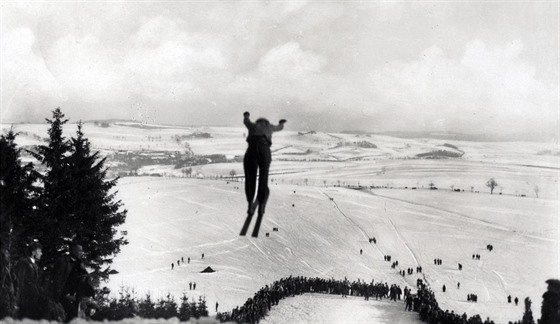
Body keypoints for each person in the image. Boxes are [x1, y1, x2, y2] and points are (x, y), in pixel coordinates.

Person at [240, 111, 286, 237]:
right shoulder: (270, 127)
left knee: (250, 178)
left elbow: (246, 121)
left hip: (252, 150)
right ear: (266, 122)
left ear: (258, 122)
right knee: (263, 179)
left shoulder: (253, 126)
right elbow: (280, 127)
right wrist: (282, 122)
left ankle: (250, 204)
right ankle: (261, 206)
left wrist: (246, 115)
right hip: (265, 150)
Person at [52, 243, 94, 321]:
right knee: (71, 314)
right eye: (80, 251)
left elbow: (85, 277)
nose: (82, 253)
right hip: (62, 294)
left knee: (80, 315)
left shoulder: (80, 263)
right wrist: (61, 295)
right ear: (73, 251)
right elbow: (57, 279)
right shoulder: (63, 261)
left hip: (76, 295)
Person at [15, 241, 44, 319]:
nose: (41, 253)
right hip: (25, 299)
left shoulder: (34, 264)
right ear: (33, 252)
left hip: (33, 298)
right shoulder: (24, 262)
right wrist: (17, 300)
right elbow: (19, 281)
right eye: (39, 251)